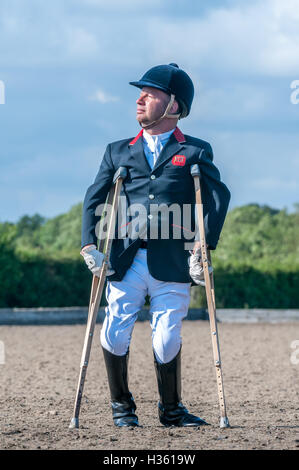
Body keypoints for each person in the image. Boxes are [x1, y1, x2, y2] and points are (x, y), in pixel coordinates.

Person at [80, 63, 231, 428]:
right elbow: (94, 197)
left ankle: (172, 410)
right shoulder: (117, 151)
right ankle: (122, 408)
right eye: (140, 93)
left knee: (165, 340)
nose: (140, 99)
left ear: (174, 106)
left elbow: (217, 198)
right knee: (114, 334)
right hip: (125, 258)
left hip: (172, 263)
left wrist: (203, 245)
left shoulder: (195, 151)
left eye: (150, 94)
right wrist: (88, 244)